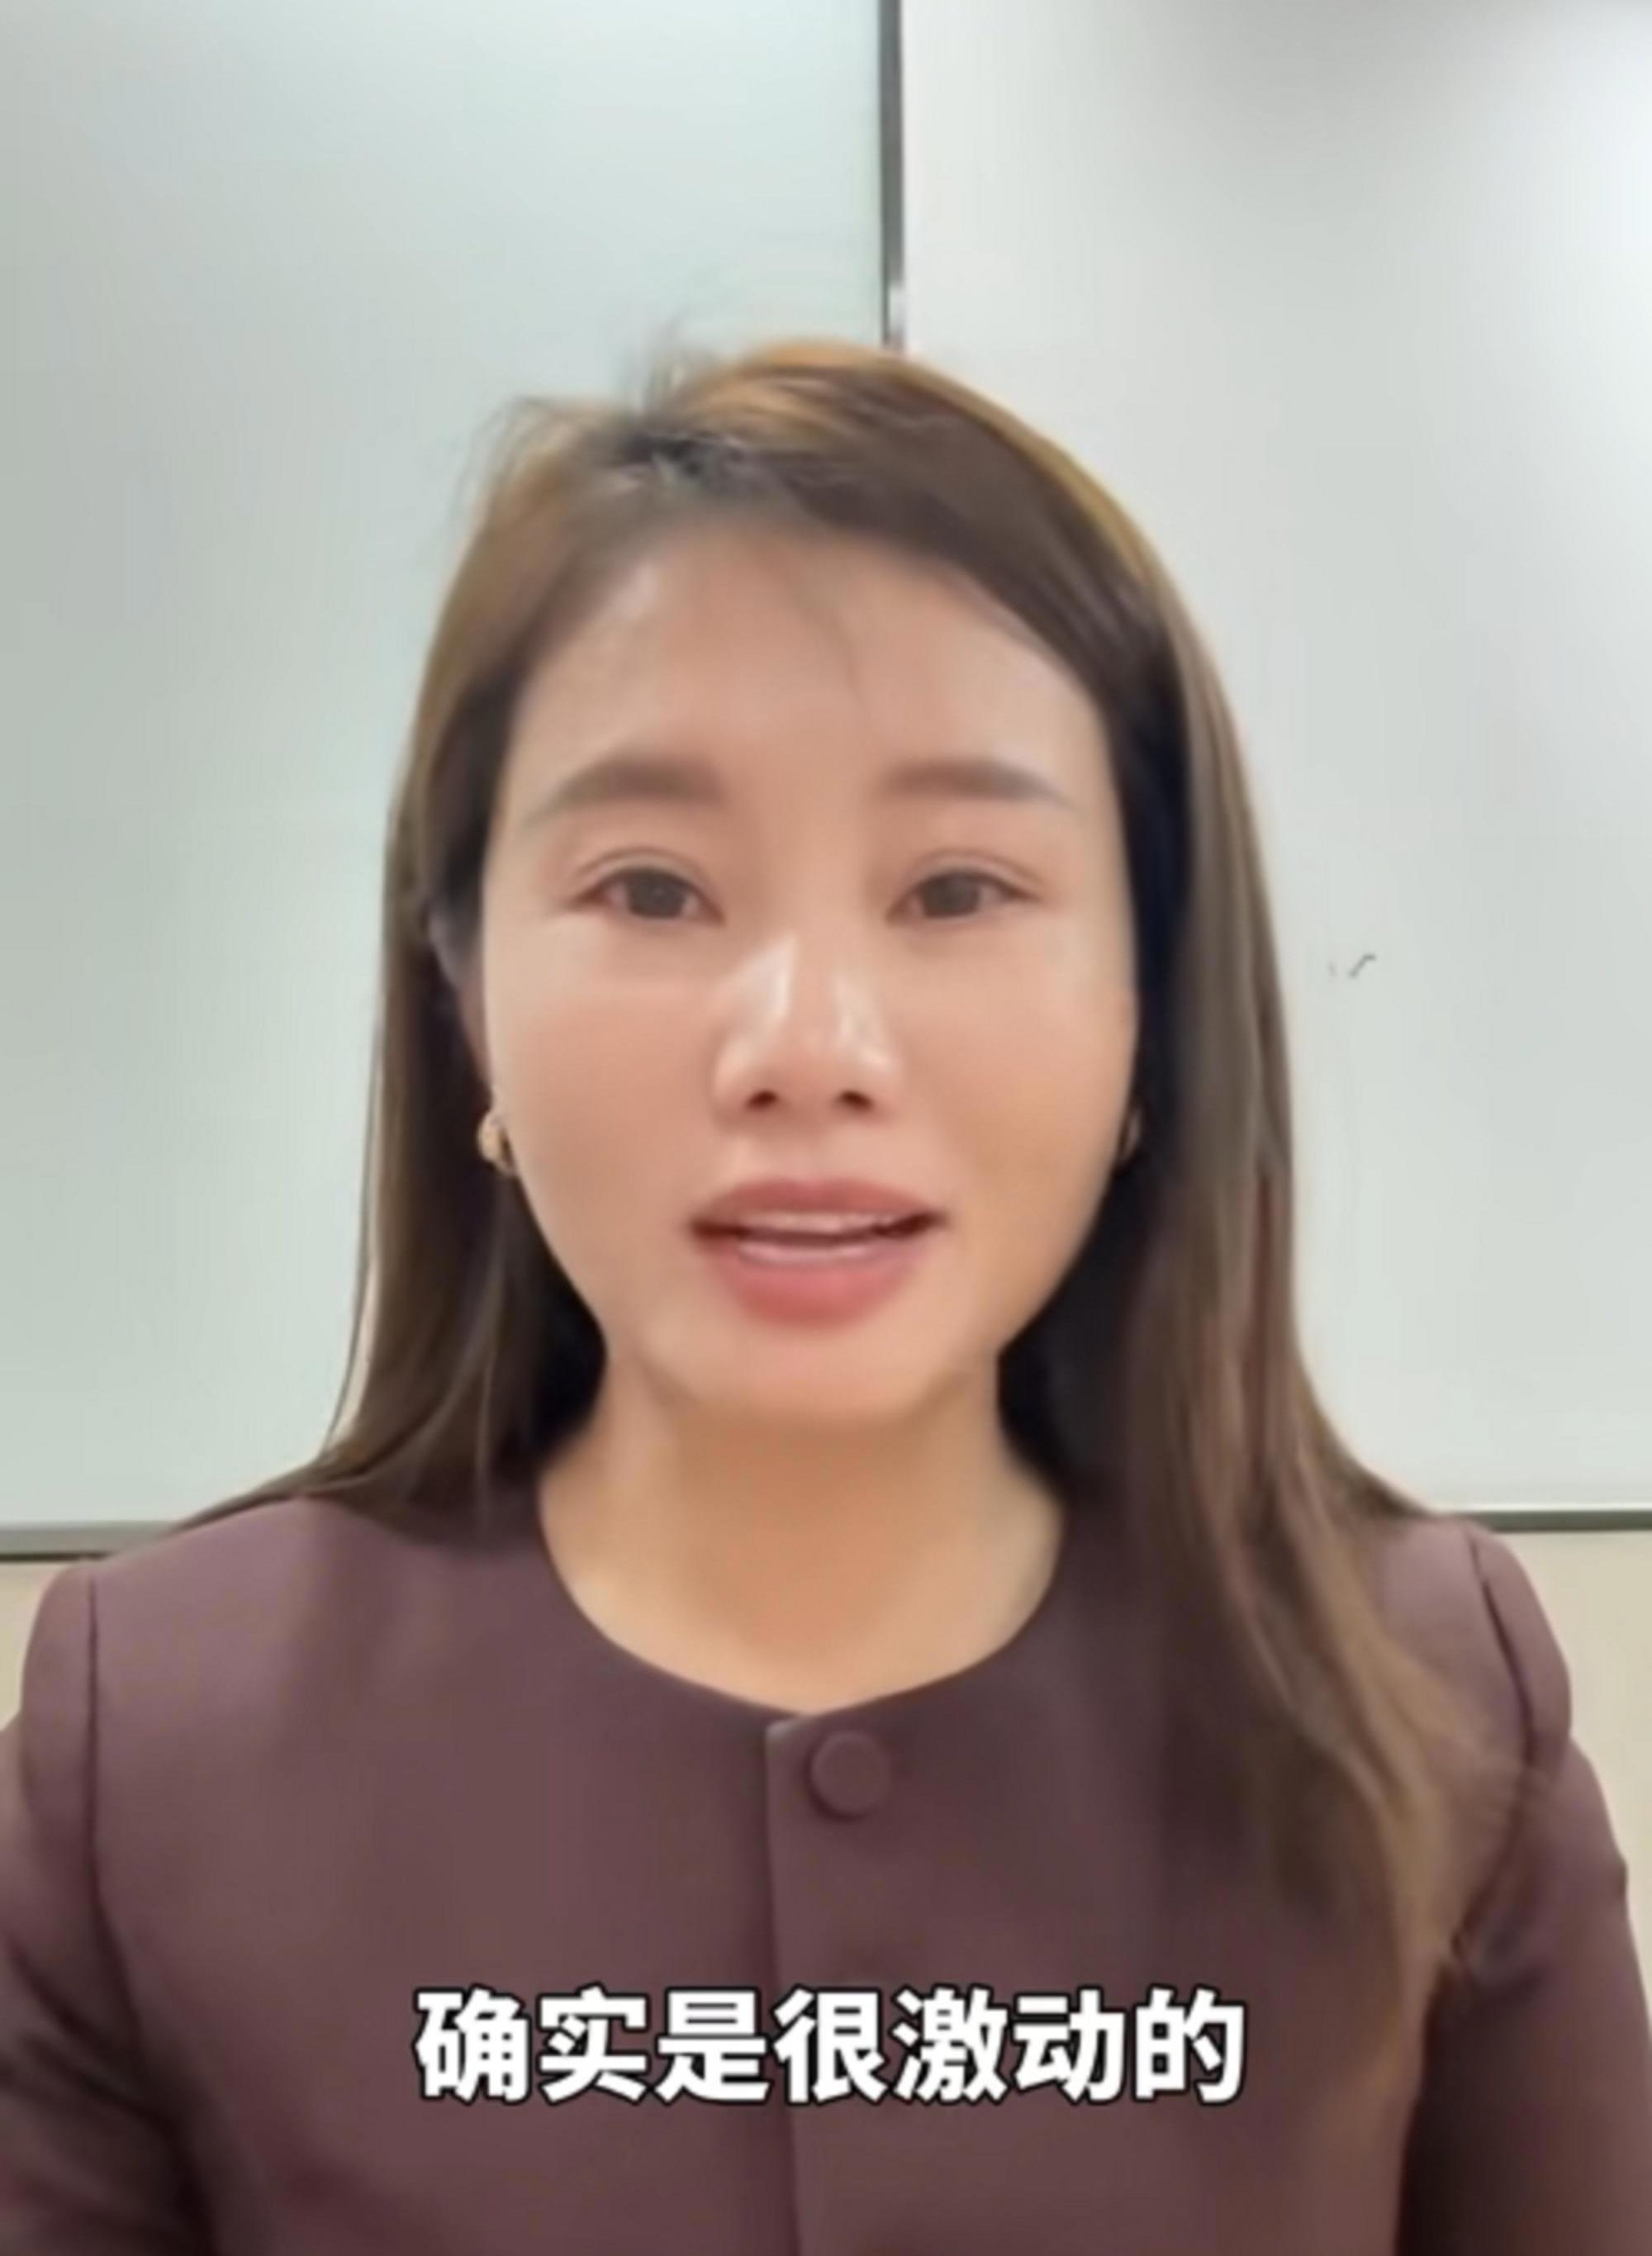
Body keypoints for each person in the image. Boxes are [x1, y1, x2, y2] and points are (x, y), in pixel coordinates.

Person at [2, 338, 1648, 2254]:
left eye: (956, 890)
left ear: (1152, 1010)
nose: (805, 1046)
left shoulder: (1430, 1699)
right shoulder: (161, 1738)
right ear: (464, 1000)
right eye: (650, 889)